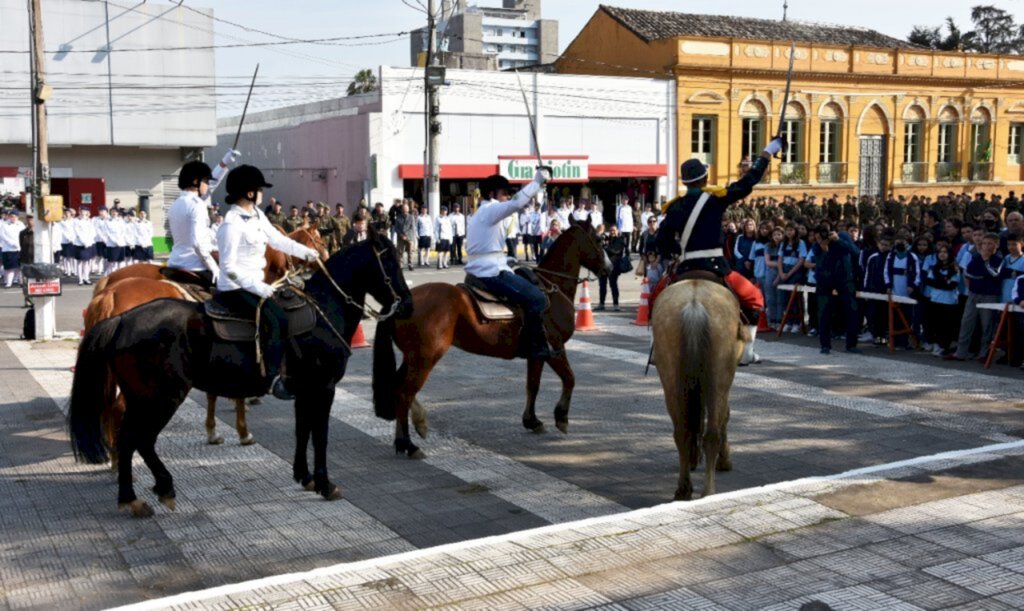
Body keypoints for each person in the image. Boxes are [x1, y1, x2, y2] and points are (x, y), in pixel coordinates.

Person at [655, 136, 782, 365]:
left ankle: (657, 351)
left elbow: (661, 241)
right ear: (704, 178)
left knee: (656, 299)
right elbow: (748, 181)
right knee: (754, 298)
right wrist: (767, 152)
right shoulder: (716, 199)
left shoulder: (674, 207)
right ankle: (746, 353)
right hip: (715, 267)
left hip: (684, 267)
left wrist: (678, 251)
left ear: (685, 182)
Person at [215, 165, 320, 400]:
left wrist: (307, 253)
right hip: (236, 288)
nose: (262, 193)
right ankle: (270, 379)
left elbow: (278, 241)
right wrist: (258, 287)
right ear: (250, 193)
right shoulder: (232, 224)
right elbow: (228, 268)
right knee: (277, 318)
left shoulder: (257, 215)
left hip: (256, 283)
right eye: (259, 189)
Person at [465, 170, 554, 359]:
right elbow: (517, 202)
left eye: (507, 193)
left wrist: (503, 258)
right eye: (504, 192)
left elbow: (483, 247)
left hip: (489, 264)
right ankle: (531, 346)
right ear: (491, 195)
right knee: (537, 298)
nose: (506, 196)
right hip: (490, 272)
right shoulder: (490, 209)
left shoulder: (481, 213)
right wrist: (537, 182)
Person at [167, 160, 222, 287]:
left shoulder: (175, 204)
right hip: (194, 264)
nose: (208, 185)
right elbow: (197, 243)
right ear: (196, 181)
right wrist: (214, 267)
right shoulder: (197, 205)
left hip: (174, 261)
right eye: (206, 181)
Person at [948, 232, 1003, 361]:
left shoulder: (999, 259)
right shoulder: (976, 257)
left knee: (987, 325)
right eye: (984, 243)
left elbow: (994, 275)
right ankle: (960, 352)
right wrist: (982, 272)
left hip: (989, 295)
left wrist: (985, 262)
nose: (986, 246)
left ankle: (984, 353)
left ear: (997, 245)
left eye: (990, 244)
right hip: (973, 293)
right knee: (966, 322)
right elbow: (969, 273)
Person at [810, 226, 861, 355]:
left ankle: (851, 345)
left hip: (845, 279)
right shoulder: (819, 242)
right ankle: (825, 345)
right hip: (824, 280)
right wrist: (823, 246)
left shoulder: (842, 236)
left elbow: (856, 252)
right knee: (824, 313)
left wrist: (838, 240)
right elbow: (817, 258)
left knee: (852, 311)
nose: (826, 234)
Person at [597, 225, 628, 311]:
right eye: (610, 230)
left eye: (614, 230)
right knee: (602, 285)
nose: (612, 232)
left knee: (613, 285)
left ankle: (616, 304)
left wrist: (606, 247)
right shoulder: (606, 239)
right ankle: (601, 304)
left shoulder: (620, 239)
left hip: (614, 266)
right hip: (604, 266)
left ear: (617, 231)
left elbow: (616, 251)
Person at [0, 212, 26, 288]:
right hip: (8, 248)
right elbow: (2, 236)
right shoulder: (5, 225)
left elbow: (24, 234)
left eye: (15, 216)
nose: (13, 218)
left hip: (19, 248)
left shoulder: (20, 224)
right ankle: (8, 282)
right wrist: (11, 243)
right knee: (9, 267)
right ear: (9, 217)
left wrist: (20, 244)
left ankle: (19, 280)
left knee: (19, 266)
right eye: (11, 216)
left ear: (17, 217)